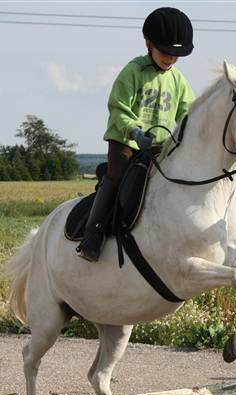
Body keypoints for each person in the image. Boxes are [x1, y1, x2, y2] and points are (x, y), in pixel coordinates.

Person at [76, 6, 195, 261]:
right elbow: (118, 109)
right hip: (126, 142)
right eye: (166, 52)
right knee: (116, 177)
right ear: (148, 43)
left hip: (159, 147)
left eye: (176, 55)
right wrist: (135, 131)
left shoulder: (178, 80)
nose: (171, 59)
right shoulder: (133, 71)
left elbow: (187, 114)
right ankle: (92, 235)